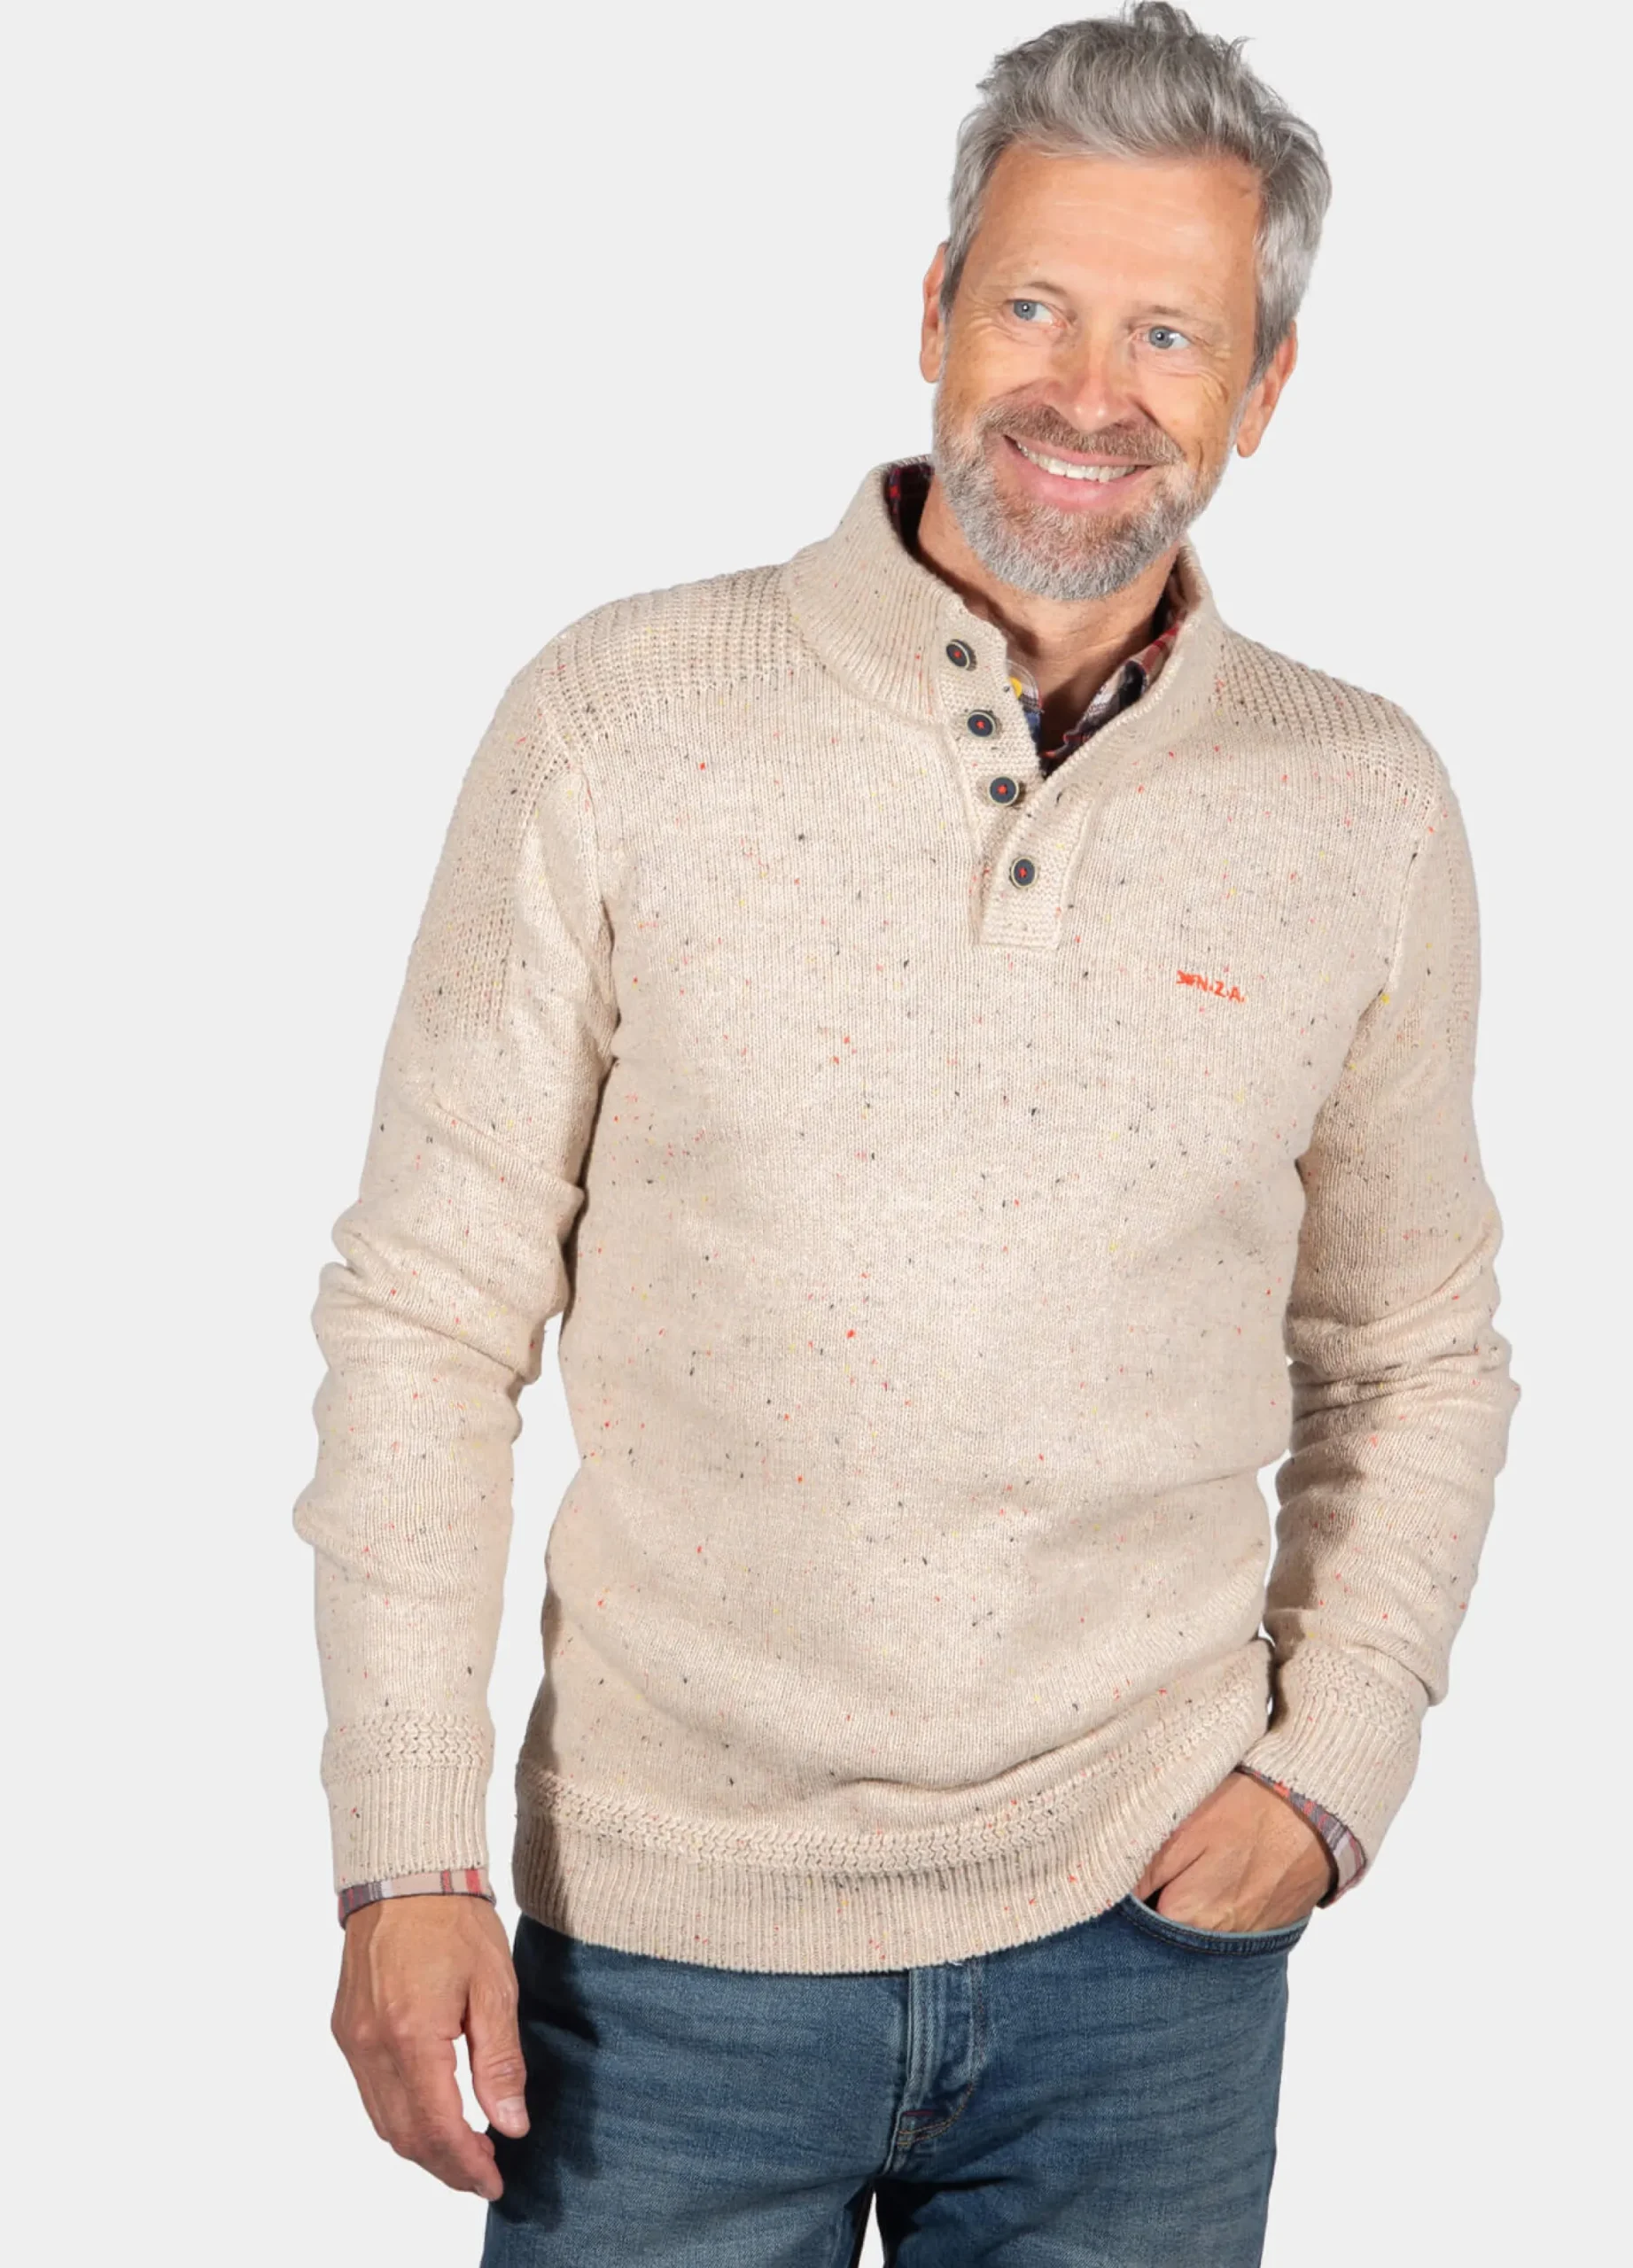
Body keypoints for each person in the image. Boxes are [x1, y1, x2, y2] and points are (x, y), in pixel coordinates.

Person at [294, 6, 1520, 2260]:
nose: (1088, 388)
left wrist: (1332, 1765)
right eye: (1036, 304)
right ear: (935, 309)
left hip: (1146, 1944)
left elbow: (1414, 1345)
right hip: (660, 1956)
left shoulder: (1362, 802)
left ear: (1260, 393)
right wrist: (403, 1849)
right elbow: (425, 1316)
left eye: (1170, 332)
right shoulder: (620, 715)